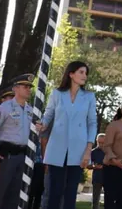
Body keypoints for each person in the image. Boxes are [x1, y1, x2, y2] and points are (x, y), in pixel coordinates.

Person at [40, 60, 97, 209]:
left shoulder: (89, 96)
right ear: (71, 74)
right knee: (54, 192)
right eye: (81, 72)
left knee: (71, 193)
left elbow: (92, 123)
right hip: (56, 147)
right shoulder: (57, 93)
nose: (85, 76)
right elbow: (48, 114)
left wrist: (88, 149)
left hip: (79, 149)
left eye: (86, 73)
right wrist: (43, 124)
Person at [0, 74, 37, 209]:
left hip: (23, 156)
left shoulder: (31, 110)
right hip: (7, 155)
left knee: (15, 195)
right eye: (25, 87)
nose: (29, 89)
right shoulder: (6, 107)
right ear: (16, 89)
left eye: (29, 87)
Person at [89, 134, 106, 209]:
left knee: (109, 199)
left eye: (103, 143)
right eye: (99, 142)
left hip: (108, 178)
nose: (101, 144)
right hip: (97, 178)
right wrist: (94, 166)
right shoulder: (93, 152)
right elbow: (88, 165)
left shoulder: (110, 152)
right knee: (95, 200)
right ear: (96, 141)